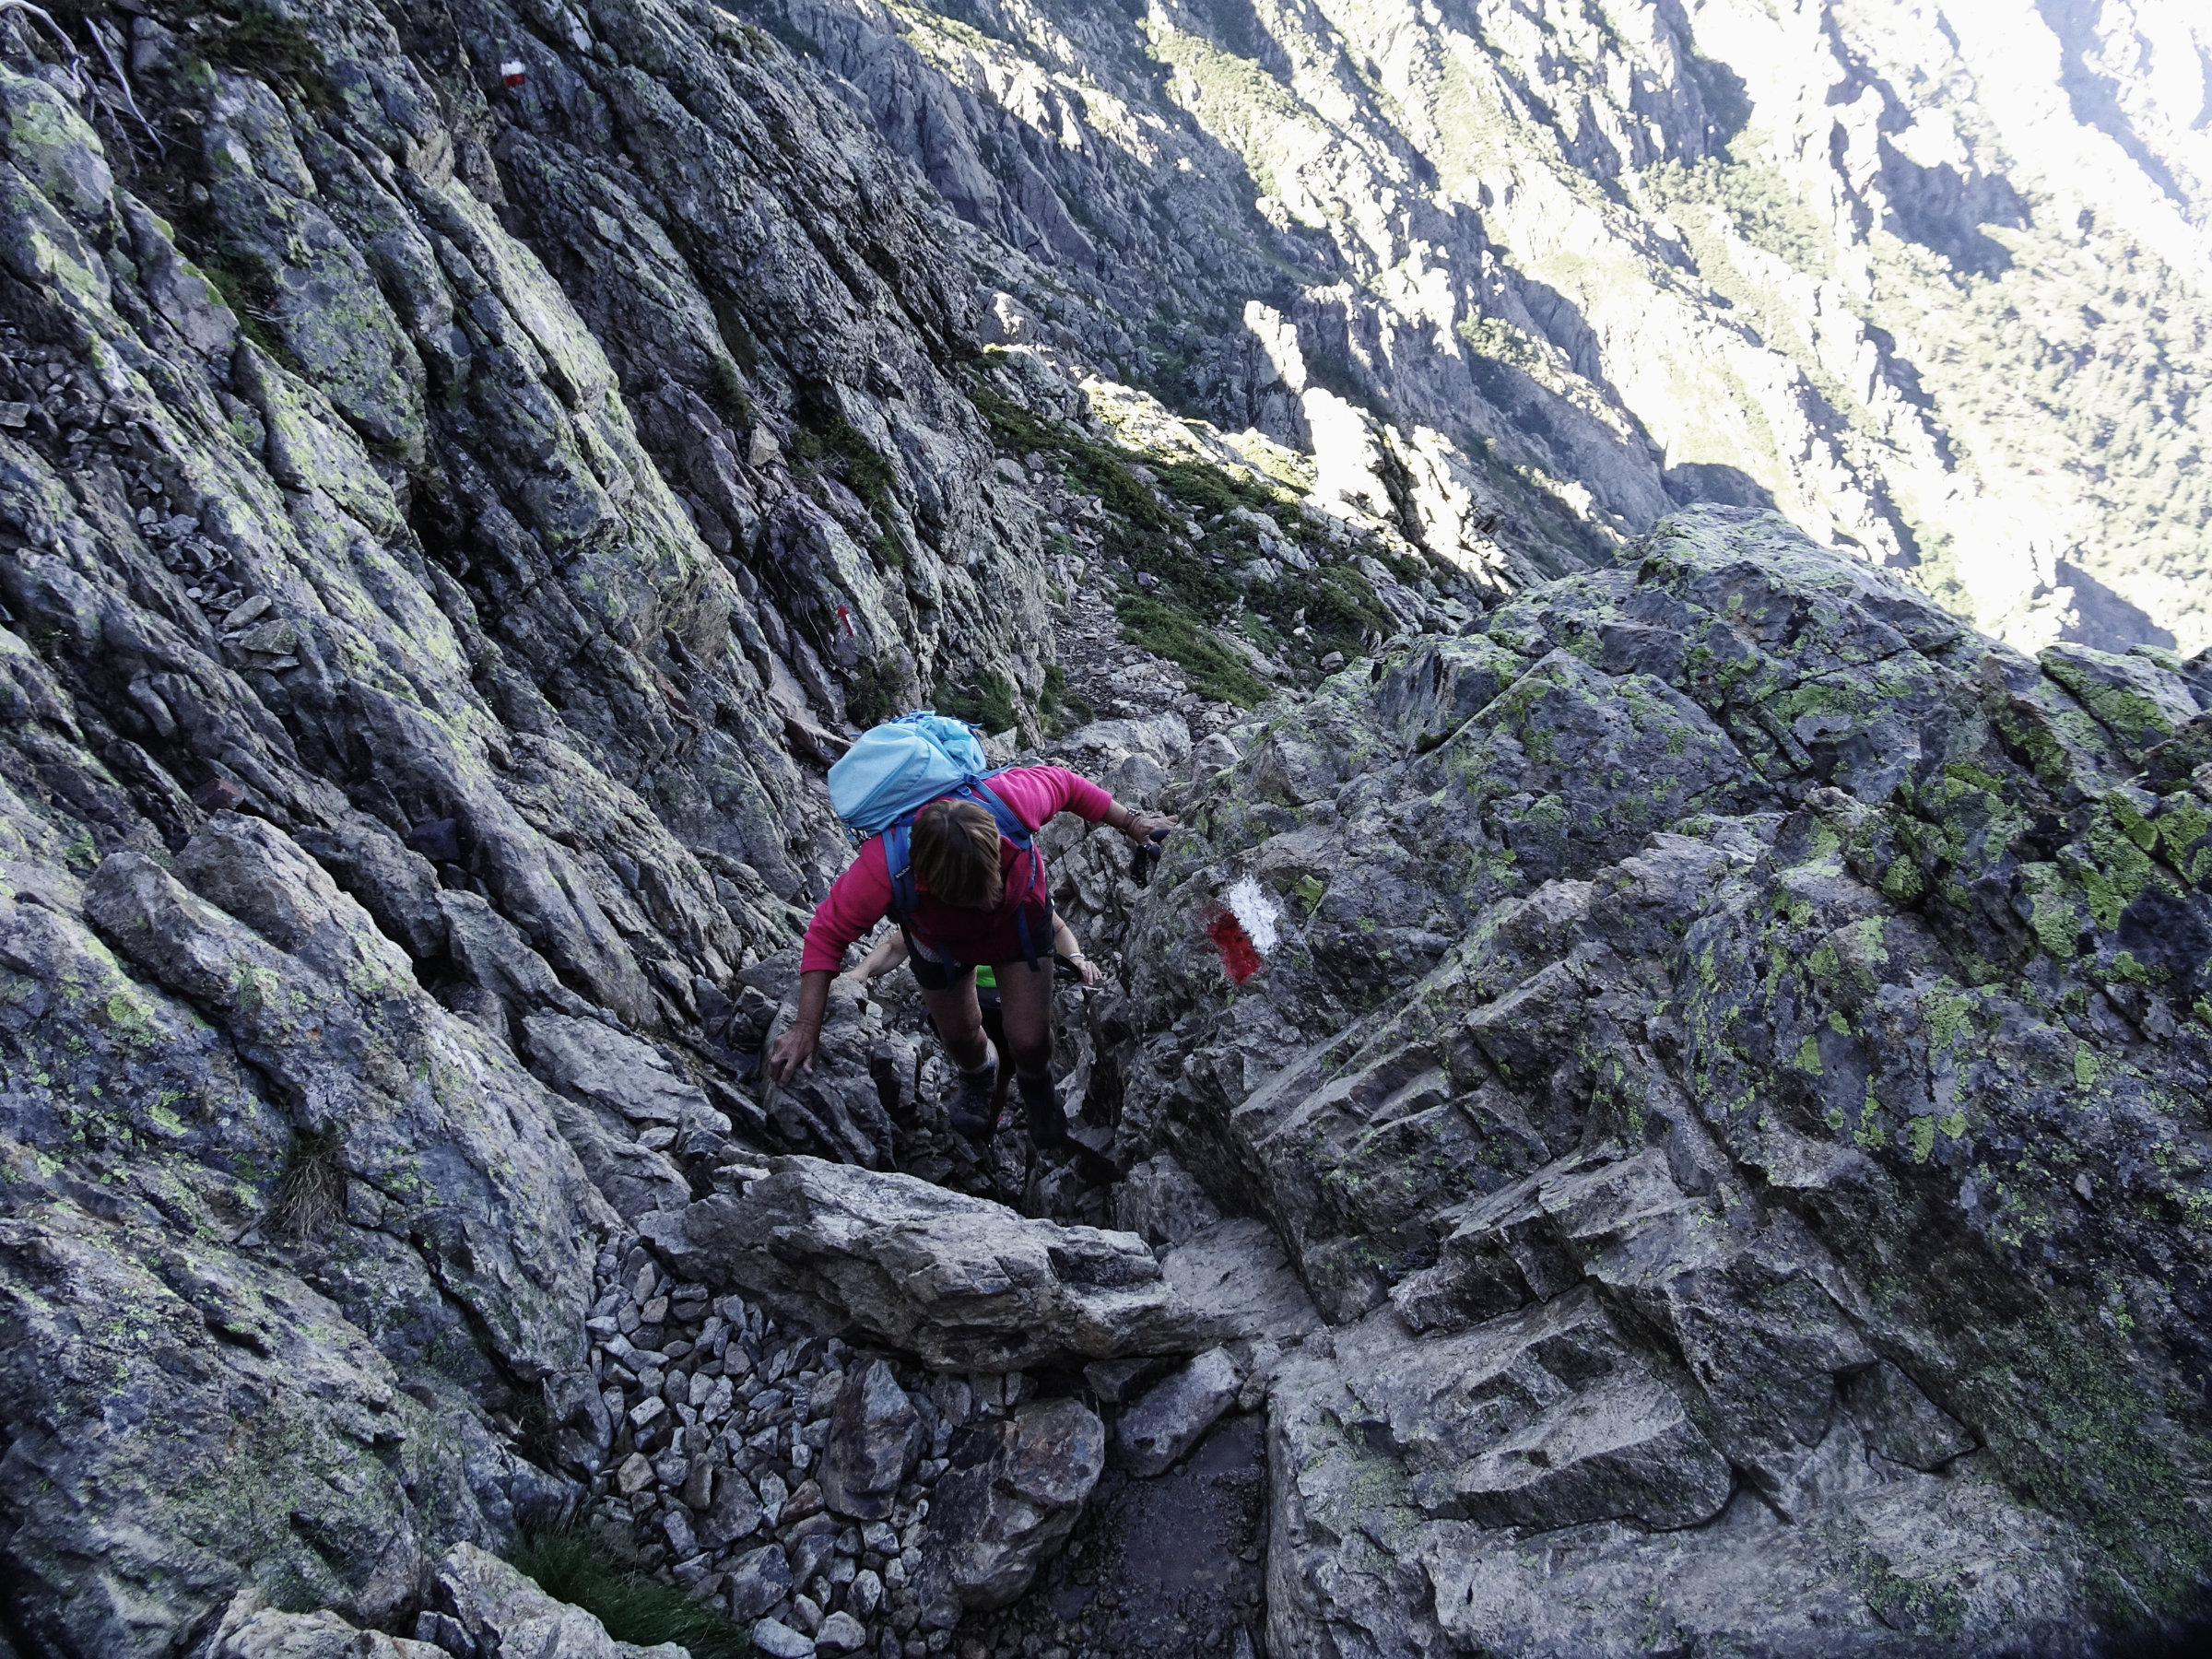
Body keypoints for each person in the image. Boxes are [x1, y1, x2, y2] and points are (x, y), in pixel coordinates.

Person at [767, 768, 1170, 1147]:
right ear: (928, 881)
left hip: (1019, 926)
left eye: (991, 885)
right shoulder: (885, 868)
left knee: (1029, 1039)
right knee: (960, 1036)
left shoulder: (1013, 800)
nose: (987, 902)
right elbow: (826, 935)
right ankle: (978, 1076)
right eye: (973, 898)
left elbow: (1067, 785)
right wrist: (806, 1026)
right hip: (940, 942)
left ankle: (1036, 1082)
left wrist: (1132, 823)